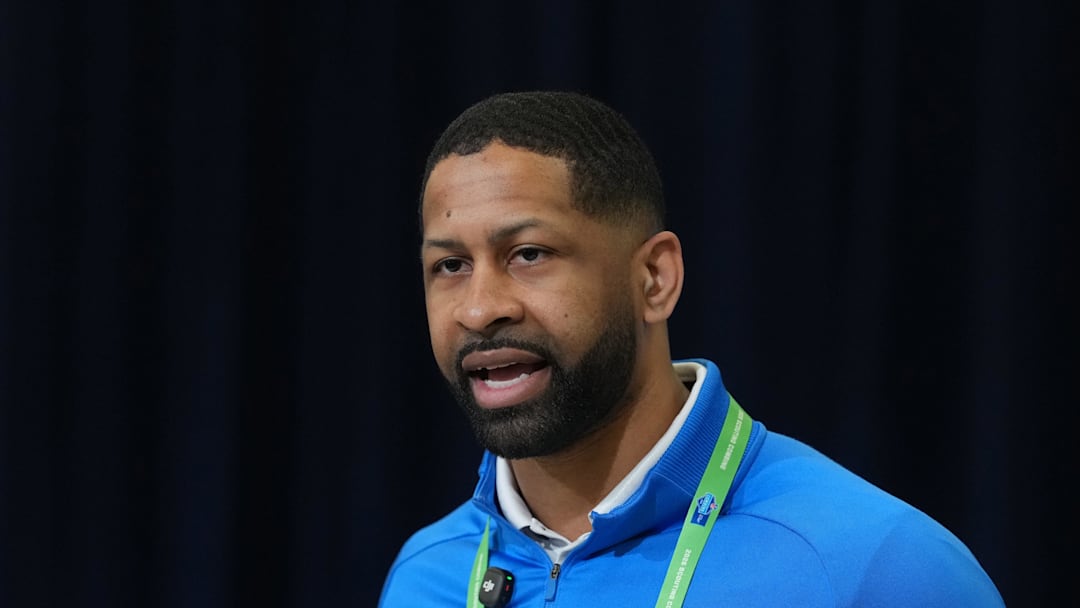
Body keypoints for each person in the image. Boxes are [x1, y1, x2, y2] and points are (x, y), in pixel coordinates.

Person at [378, 91, 1004, 607]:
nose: (482, 308)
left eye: (530, 254)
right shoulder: (425, 575)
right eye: (450, 265)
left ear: (655, 278)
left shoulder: (877, 567)